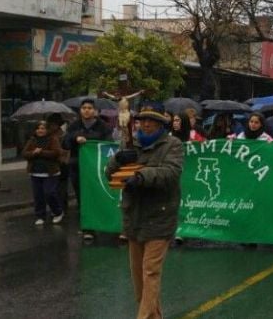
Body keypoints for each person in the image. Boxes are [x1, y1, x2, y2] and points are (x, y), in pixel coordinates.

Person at [106, 103, 183, 319]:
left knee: (151, 272)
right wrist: (117, 160)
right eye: (143, 120)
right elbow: (109, 174)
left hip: (159, 216)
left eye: (152, 120)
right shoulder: (131, 144)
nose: (146, 124)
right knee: (138, 277)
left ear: (161, 123)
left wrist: (141, 176)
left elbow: (170, 173)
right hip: (134, 218)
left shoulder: (173, 145)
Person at [62, 98, 113, 240]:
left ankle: (102, 223)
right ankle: (87, 227)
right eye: (84, 108)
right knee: (82, 198)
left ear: (95, 111)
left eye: (90, 108)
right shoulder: (74, 126)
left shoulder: (103, 126)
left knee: (98, 195)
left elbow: (108, 144)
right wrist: (75, 139)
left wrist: (87, 139)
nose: (87, 110)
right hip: (77, 167)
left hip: (96, 167)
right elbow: (65, 143)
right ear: (80, 110)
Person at [23, 121, 64, 225]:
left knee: (49, 193)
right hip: (35, 172)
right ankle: (40, 215)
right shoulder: (32, 140)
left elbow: (56, 152)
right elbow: (24, 153)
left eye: (42, 128)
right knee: (38, 196)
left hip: (50, 172)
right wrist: (33, 153)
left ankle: (58, 212)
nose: (40, 131)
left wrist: (41, 152)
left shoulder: (53, 139)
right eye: (38, 128)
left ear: (47, 130)